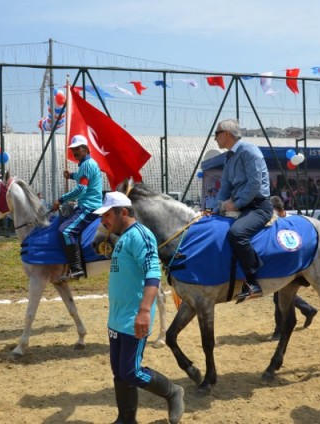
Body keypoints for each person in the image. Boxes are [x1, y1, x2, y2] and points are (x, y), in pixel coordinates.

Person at [94, 192, 185, 424]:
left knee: (131, 372)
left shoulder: (141, 236)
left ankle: (173, 392)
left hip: (134, 317)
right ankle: (126, 418)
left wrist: (144, 311)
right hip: (116, 318)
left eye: (107, 215)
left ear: (123, 212)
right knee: (119, 372)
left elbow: (153, 275)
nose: (103, 221)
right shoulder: (122, 237)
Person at [212, 118, 273, 302]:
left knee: (237, 233)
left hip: (258, 207)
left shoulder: (249, 152)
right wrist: (215, 209)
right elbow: (224, 188)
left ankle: (253, 282)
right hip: (242, 206)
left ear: (227, 134)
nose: (215, 139)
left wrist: (236, 204)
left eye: (217, 134)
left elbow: (254, 184)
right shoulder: (229, 158)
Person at [51, 135, 103, 279]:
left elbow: (81, 190)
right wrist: (71, 176)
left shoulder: (86, 164)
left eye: (77, 149)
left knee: (65, 231)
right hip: (87, 205)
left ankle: (77, 268)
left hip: (88, 207)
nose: (74, 152)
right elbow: (83, 177)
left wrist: (61, 199)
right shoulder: (87, 164)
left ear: (86, 149)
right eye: (73, 149)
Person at [269, 196, 318, 340]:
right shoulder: (276, 222)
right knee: (280, 296)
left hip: (294, 265)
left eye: (273, 212)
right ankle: (308, 310)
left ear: (281, 211)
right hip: (283, 265)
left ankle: (279, 330)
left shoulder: (291, 223)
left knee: (279, 297)